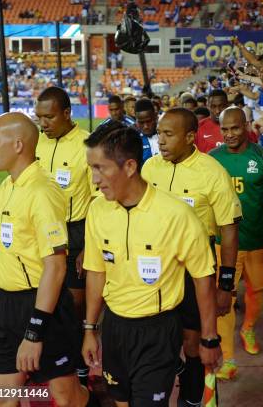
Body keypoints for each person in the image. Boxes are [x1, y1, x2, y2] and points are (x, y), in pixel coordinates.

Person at [81, 123, 221, 407]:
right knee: (121, 402)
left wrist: (209, 338)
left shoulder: (176, 214)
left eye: (100, 168)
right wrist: (90, 329)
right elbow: (96, 271)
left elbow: (203, 278)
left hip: (158, 332)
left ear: (130, 166)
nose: (94, 179)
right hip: (115, 328)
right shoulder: (97, 210)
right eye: (91, 168)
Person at [0, 112, 93, 407]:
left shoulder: (42, 192)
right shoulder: (8, 186)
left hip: (40, 307)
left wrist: (34, 332)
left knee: (65, 396)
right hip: (5, 304)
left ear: (18, 144)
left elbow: (56, 266)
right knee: (4, 398)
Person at [141, 108, 242, 406]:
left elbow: (229, 230)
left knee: (193, 342)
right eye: (160, 134)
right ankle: (180, 372)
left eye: (168, 135)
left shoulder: (212, 172)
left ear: (189, 137)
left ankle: (193, 398)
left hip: (194, 272)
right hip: (154, 270)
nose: (161, 141)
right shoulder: (149, 168)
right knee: (158, 343)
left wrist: (225, 285)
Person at [210, 107, 263, 380]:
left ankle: (248, 327)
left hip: (257, 241)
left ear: (246, 126)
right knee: (223, 300)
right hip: (223, 244)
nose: (229, 134)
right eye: (225, 129)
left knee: (257, 292)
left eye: (235, 128)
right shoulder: (211, 160)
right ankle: (228, 358)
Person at [34, 86, 93, 386]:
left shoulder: (85, 145)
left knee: (75, 303)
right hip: (43, 230)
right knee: (46, 297)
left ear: (67, 113)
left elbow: (100, 199)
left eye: (49, 117)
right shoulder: (38, 145)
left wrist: (88, 247)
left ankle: (81, 365)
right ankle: (58, 361)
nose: (43, 123)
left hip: (77, 232)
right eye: (39, 117)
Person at [134, 98, 160, 162]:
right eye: (141, 122)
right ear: (136, 121)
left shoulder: (167, 135)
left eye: (148, 121)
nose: (146, 126)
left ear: (155, 116)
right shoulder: (133, 140)